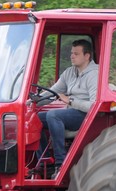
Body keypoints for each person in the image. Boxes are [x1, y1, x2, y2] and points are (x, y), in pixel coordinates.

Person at [37, 39, 99, 178]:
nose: (72, 56)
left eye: (76, 54)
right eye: (71, 53)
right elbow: (53, 92)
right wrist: (32, 102)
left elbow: (94, 106)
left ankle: (61, 163)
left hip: (86, 115)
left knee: (54, 115)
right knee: (35, 119)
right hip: (71, 111)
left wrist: (70, 100)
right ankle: (44, 162)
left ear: (87, 56)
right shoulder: (69, 72)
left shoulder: (94, 74)